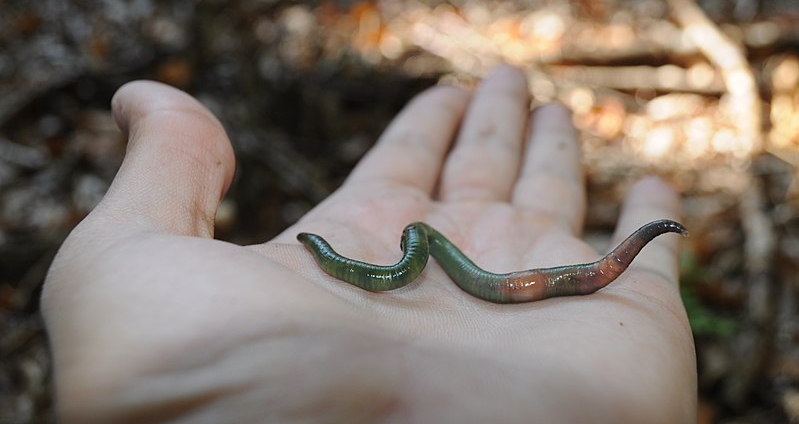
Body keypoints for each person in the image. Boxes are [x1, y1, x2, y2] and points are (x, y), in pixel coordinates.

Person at [42, 66, 697, 423]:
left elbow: (418, 262)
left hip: (461, 265)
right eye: (321, 252)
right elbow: (395, 271)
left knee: (549, 273)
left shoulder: (424, 246)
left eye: (320, 250)